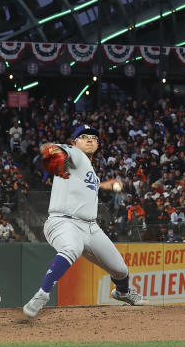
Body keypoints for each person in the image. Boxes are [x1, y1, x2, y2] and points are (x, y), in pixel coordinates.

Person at [22, 124, 146, 318]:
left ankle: (122, 293)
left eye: (94, 137)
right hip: (63, 221)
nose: (89, 139)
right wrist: (54, 152)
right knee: (72, 248)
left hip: (91, 227)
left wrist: (106, 184)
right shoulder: (75, 154)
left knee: (121, 270)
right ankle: (42, 295)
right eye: (84, 136)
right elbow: (54, 149)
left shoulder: (88, 169)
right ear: (74, 142)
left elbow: (88, 183)